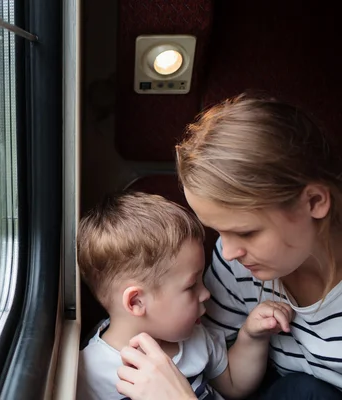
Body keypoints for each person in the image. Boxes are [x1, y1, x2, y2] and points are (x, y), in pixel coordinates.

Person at [115, 93, 342, 400]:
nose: (228, 251)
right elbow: (217, 362)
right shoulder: (235, 263)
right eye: (219, 231)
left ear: (314, 202)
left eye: (246, 232)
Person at [76, 191, 294, 400]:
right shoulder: (92, 372)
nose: (206, 293)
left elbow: (234, 386)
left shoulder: (193, 337)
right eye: (191, 286)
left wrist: (252, 337)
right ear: (136, 302)